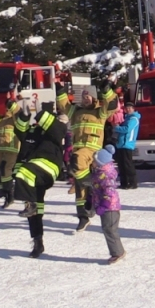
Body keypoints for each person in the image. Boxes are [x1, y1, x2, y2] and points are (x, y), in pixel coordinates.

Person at [56, 80, 118, 231]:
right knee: (80, 187)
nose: (85, 98)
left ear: (94, 97)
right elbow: (63, 105)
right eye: (83, 96)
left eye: (88, 95)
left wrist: (107, 90)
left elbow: (112, 104)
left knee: (76, 161)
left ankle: (89, 184)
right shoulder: (75, 112)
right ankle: (83, 216)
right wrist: (60, 92)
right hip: (79, 150)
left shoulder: (100, 111)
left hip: (92, 152)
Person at [13, 104, 67, 258]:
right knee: (35, 211)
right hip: (33, 172)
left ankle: (32, 205)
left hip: (48, 166)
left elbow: (57, 130)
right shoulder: (32, 132)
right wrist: (24, 115)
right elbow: (20, 130)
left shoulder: (57, 128)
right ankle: (38, 243)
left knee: (25, 173)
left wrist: (39, 111)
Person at [91, 145, 125, 265]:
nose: (92, 163)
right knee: (108, 229)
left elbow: (109, 191)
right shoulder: (100, 171)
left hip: (110, 208)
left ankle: (117, 253)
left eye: (94, 161)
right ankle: (117, 251)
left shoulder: (106, 173)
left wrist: (104, 205)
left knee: (110, 229)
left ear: (100, 162)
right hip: (106, 206)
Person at [0, 98, 22, 208]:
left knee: (6, 171)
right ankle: (4, 193)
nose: (6, 108)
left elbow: (19, 114)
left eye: (8, 106)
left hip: (12, 150)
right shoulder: (1, 121)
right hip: (1, 151)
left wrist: (13, 106)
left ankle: (10, 196)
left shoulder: (15, 120)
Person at [114, 101, 141, 190]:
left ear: (133, 109)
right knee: (121, 165)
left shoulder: (134, 119)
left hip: (127, 144)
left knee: (128, 164)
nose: (128, 109)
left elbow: (127, 129)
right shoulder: (126, 118)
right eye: (127, 108)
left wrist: (116, 128)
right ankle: (124, 183)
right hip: (121, 144)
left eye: (130, 108)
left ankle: (132, 182)